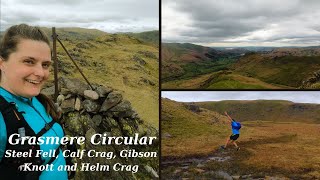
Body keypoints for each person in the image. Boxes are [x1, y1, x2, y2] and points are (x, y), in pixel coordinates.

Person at [0, 24, 68, 179]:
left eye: (45, 65)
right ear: (2, 63)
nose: (40, 73)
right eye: (29, 61)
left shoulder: (37, 99)